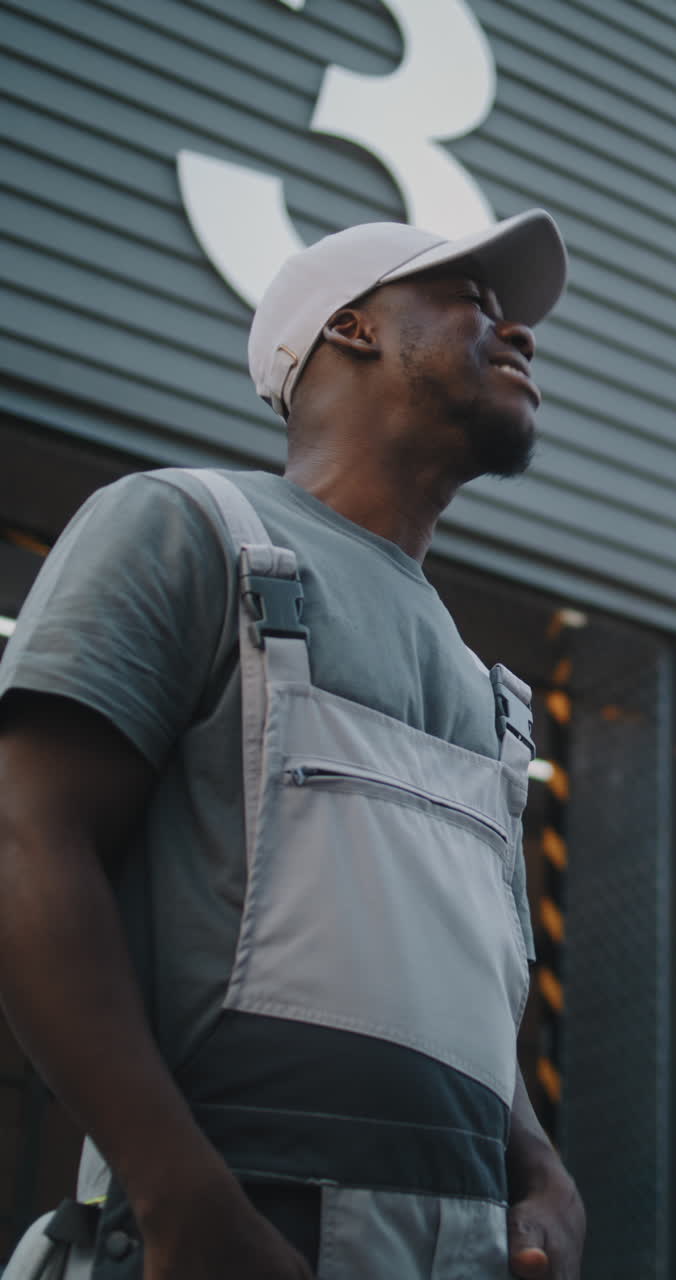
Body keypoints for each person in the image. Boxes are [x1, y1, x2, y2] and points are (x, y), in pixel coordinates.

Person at [0, 213, 585, 1279]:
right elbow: (24, 839)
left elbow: (447, 980)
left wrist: (539, 1162)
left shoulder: (484, 688)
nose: (519, 334)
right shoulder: (187, 527)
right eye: (473, 299)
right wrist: (178, 1196)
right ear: (353, 328)